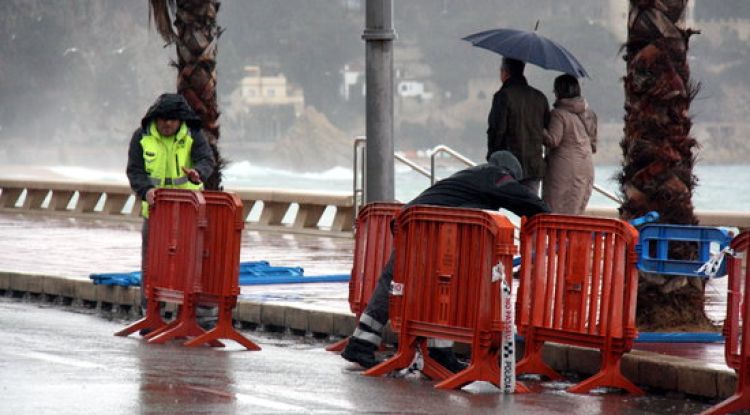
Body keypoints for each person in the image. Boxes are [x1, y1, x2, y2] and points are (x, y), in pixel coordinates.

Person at [341, 151, 550, 370]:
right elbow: (520, 197)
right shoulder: (495, 175)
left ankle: (362, 343)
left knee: (395, 282)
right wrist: (546, 213)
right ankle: (438, 350)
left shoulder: (468, 176)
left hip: (409, 222)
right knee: (447, 285)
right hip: (427, 229)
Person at [126, 93, 216, 333]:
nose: (167, 124)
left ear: (181, 120)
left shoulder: (193, 136)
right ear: (155, 119)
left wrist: (198, 173)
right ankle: (151, 315)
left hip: (188, 214)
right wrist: (146, 191)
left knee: (190, 264)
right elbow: (135, 171)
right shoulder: (141, 137)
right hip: (154, 213)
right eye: (163, 119)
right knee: (152, 266)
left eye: (173, 120)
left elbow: (207, 160)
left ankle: (189, 317)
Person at [486, 57, 550, 195]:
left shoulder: (503, 96)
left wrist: (492, 158)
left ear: (505, 73)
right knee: (529, 209)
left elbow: (497, 131)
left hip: (508, 165)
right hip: (534, 165)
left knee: (498, 206)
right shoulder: (540, 97)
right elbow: (546, 128)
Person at [542, 74, 598, 214]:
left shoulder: (558, 114)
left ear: (559, 92)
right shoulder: (589, 113)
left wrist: (537, 128)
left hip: (563, 169)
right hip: (586, 167)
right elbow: (593, 144)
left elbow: (553, 140)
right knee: (575, 214)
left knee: (555, 214)